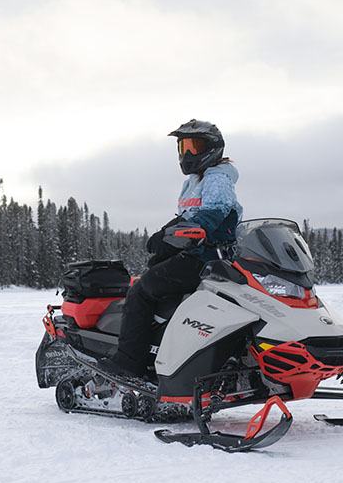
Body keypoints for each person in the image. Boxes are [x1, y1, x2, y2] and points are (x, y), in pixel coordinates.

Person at [99, 119, 243, 378]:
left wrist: (177, 236)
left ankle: (128, 362)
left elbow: (211, 215)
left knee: (140, 291)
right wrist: (166, 235)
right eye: (183, 146)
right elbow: (188, 216)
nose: (188, 153)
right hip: (200, 255)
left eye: (194, 146)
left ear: (213, 148)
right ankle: (159, 351)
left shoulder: (218, 178)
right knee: (156, 283)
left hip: (205, 259)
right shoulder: (196, 181)